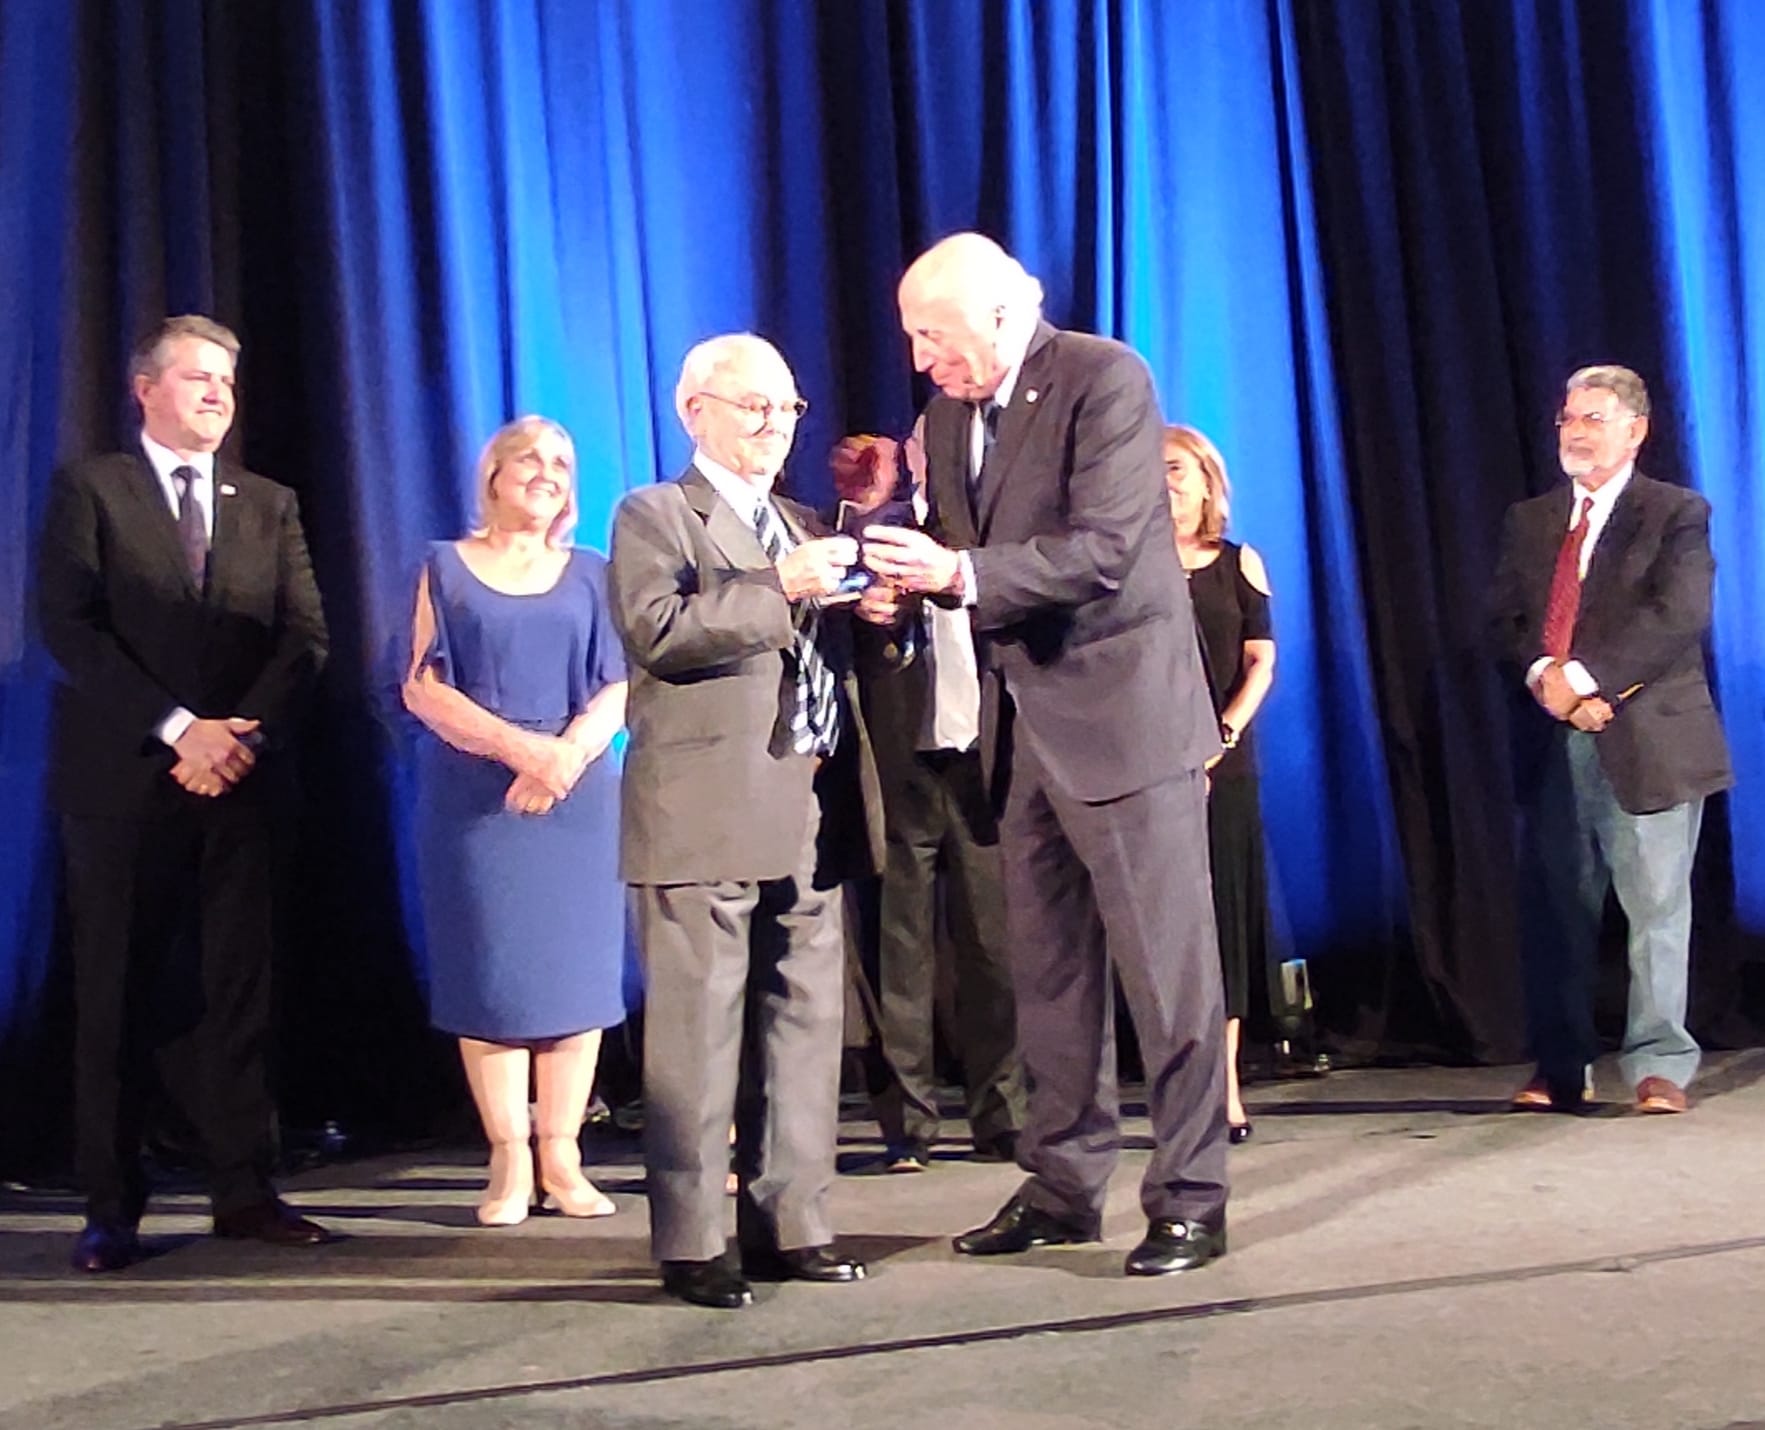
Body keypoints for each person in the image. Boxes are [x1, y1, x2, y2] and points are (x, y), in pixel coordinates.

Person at [862, 233, 1229, 1276]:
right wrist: (903, 592)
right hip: (1017, 731)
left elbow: (1105, 549)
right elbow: (959, 553)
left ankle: (1190, 1196)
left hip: (1123, 721)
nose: (923, 359)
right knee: (1050, 980)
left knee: (1166, 975)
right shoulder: (944, 417)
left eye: (934, 336)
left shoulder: (1102, 378)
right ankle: (1062, 1184)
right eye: (913, 339)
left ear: (1000, 314)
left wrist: (956, 575)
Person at [36, 315, 331, 1272]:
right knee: (116, 994)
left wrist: (238, 735)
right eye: (199, 377)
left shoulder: (268, 502)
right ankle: (111, 1206)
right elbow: (71, 629)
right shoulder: (92, 489)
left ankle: (244, 1191)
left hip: (240, 781)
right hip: (123, 783)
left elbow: (303, 637)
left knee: (239, 992)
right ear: (146, 389)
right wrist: (180, 730)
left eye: (227, 382)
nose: (217, 395)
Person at [609, 333, 886, 1309]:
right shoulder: (655, 513)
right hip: (700, 810)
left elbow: (826, 657)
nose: (775, 425)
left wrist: (879, 615)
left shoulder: (802, 520)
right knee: (696, 1037)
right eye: (754, 406)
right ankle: (693, 1243)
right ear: (696, 413)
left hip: (806, 801)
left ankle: (794, 1225)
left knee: (803, 1027)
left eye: (788, 408)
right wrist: (781, 587)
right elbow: (657, 631)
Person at [401, 416, 630, 1226]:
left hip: (577, 797)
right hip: (477, 798)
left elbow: (618, 685)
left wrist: (564, 757)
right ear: (492, 476)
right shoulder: (444, 567)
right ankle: (508, 1158)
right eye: (528, 459)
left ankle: (562, 1157)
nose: (546, 472)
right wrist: (519, 751)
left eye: (560, 462)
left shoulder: (593, 572)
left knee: (575, 975)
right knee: (492, 975)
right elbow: (421, 685)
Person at [1489, 365, 1731, 1114]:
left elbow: (1676, 615)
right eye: (1568, 418)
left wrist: (1587, 682)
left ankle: (1660, 1066)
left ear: (1635, 430)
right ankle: (1561, 1065)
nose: (1575, 431)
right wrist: (1545, 678)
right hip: (1552, 740)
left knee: (1655, 908)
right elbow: (1506, 619)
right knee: (1558, 910)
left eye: (1593, 417)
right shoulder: (1530, 520)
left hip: (1649, 736)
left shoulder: (1675, 512)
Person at [837, 424, 1024, 1172]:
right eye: (925, 443)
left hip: (983, 758)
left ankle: (1002, 1115)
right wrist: (864, 608)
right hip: (901, 756)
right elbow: (836, 620)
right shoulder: (875, 530)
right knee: (900, 946)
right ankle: (906, 1126)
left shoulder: (1000, 524)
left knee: (992, 944)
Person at [1166, 425, 1276, 1144]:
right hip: (1151, 767)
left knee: (1222, 925)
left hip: (1223, 765)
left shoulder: (1238, 563)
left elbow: (1259, 661)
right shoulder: (1130, 565)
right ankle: (1176, 1089)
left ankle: (1225, 1089)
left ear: (1208, 480)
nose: (1165, 482)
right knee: (1168, 933)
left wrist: (1221, 735)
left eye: (1176, 469)